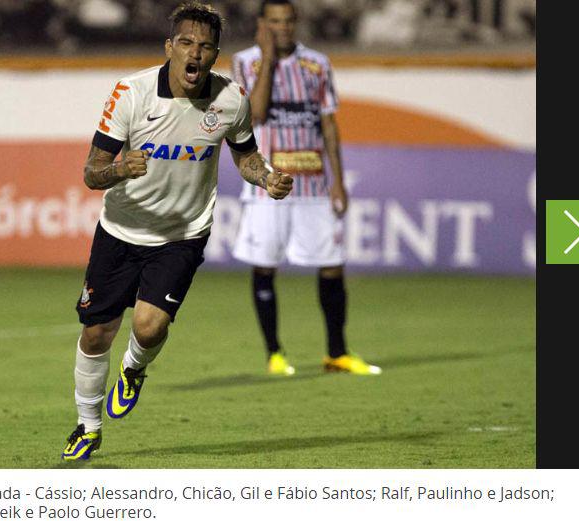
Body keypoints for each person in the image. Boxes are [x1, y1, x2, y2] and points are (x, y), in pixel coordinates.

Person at [62, 1, 294, 461]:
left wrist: (266, 177)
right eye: (186, 43)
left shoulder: (231, 99)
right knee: (95, 335)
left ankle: (133, 369)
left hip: (182, 233)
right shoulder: (131, 93)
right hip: (121, 229)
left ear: (215, 55)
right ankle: (88, 426)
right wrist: (121, 169)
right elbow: (92, 173)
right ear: (170, 47)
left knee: (149, 328)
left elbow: (245, 156)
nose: (196, 54)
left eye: (206, 47)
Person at [231, 0, 381, 377]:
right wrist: (267, 58)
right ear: (263, 24)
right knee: (265, 265)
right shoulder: (245, 62)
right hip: (266, 181)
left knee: (332, 265)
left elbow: (329, 124)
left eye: (288, 21)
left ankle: (337, 352)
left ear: (296, 23)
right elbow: (258, 113)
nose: (282, 28)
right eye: (274, 22)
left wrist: (338, 182)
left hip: (313, 182)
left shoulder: (317, 64)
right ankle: (274, 353)